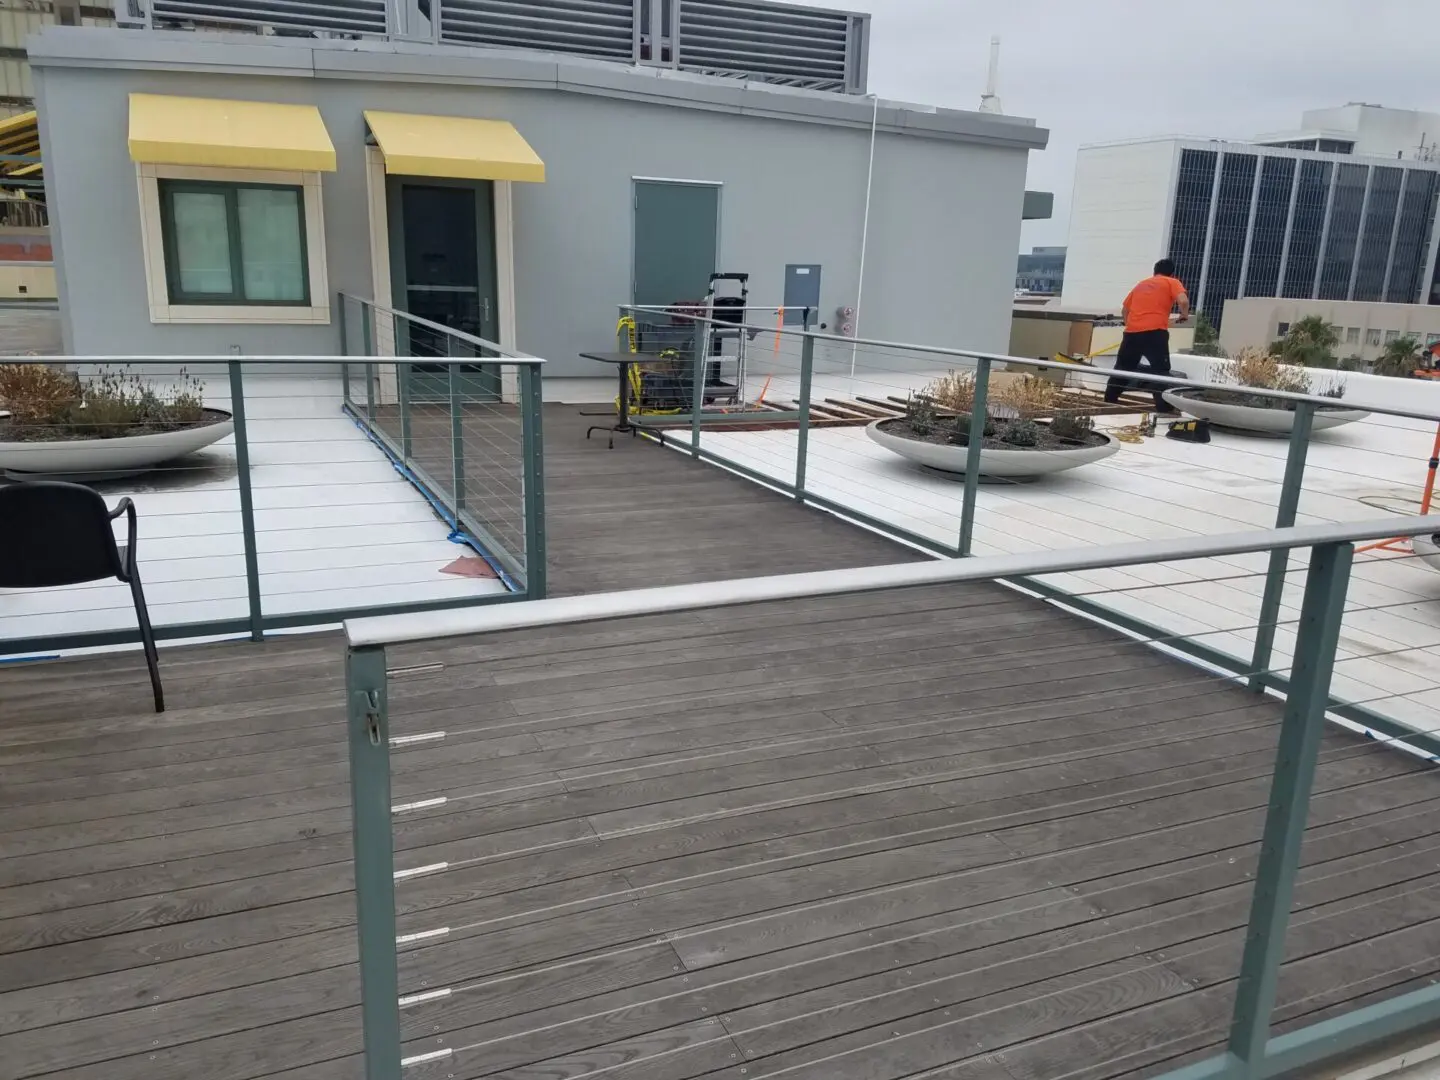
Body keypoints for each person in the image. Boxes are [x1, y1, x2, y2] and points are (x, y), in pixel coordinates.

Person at [1105, 258, 1190, 412]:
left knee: (1122, 369)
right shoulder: (1171, 282)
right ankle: (1164, 409)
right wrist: (1184, 315)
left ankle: (1109, 401)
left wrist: (1128, 324)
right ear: (1172, 273)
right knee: (1160, 372)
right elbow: (1183, 301)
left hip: (1132, 334)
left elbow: (1125, 309)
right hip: (1155, 333)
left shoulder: (1141, 284)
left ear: (1154, 271)